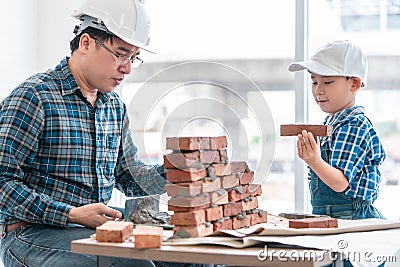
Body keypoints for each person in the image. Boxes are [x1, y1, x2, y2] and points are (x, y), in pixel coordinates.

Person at [0, 0, 211, 267]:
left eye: (133, 57)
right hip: (29, 234)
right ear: (86, 43)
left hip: (92, 232)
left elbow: (129, 177)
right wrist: (72, 214)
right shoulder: (34, 97)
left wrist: (180, 169)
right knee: (131, 264)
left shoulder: (114, 107)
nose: (127, 68)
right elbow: (2, 182)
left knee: (191, 258)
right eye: (120, 54)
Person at [288, 40, 386, 220]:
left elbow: (341, 183)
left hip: (352, 217)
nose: (318, 90)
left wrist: (314, 160)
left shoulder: (353, 125)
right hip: (329, 216)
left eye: (327, 82)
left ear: (354, 84)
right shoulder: (332, 124)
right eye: (314, 81)